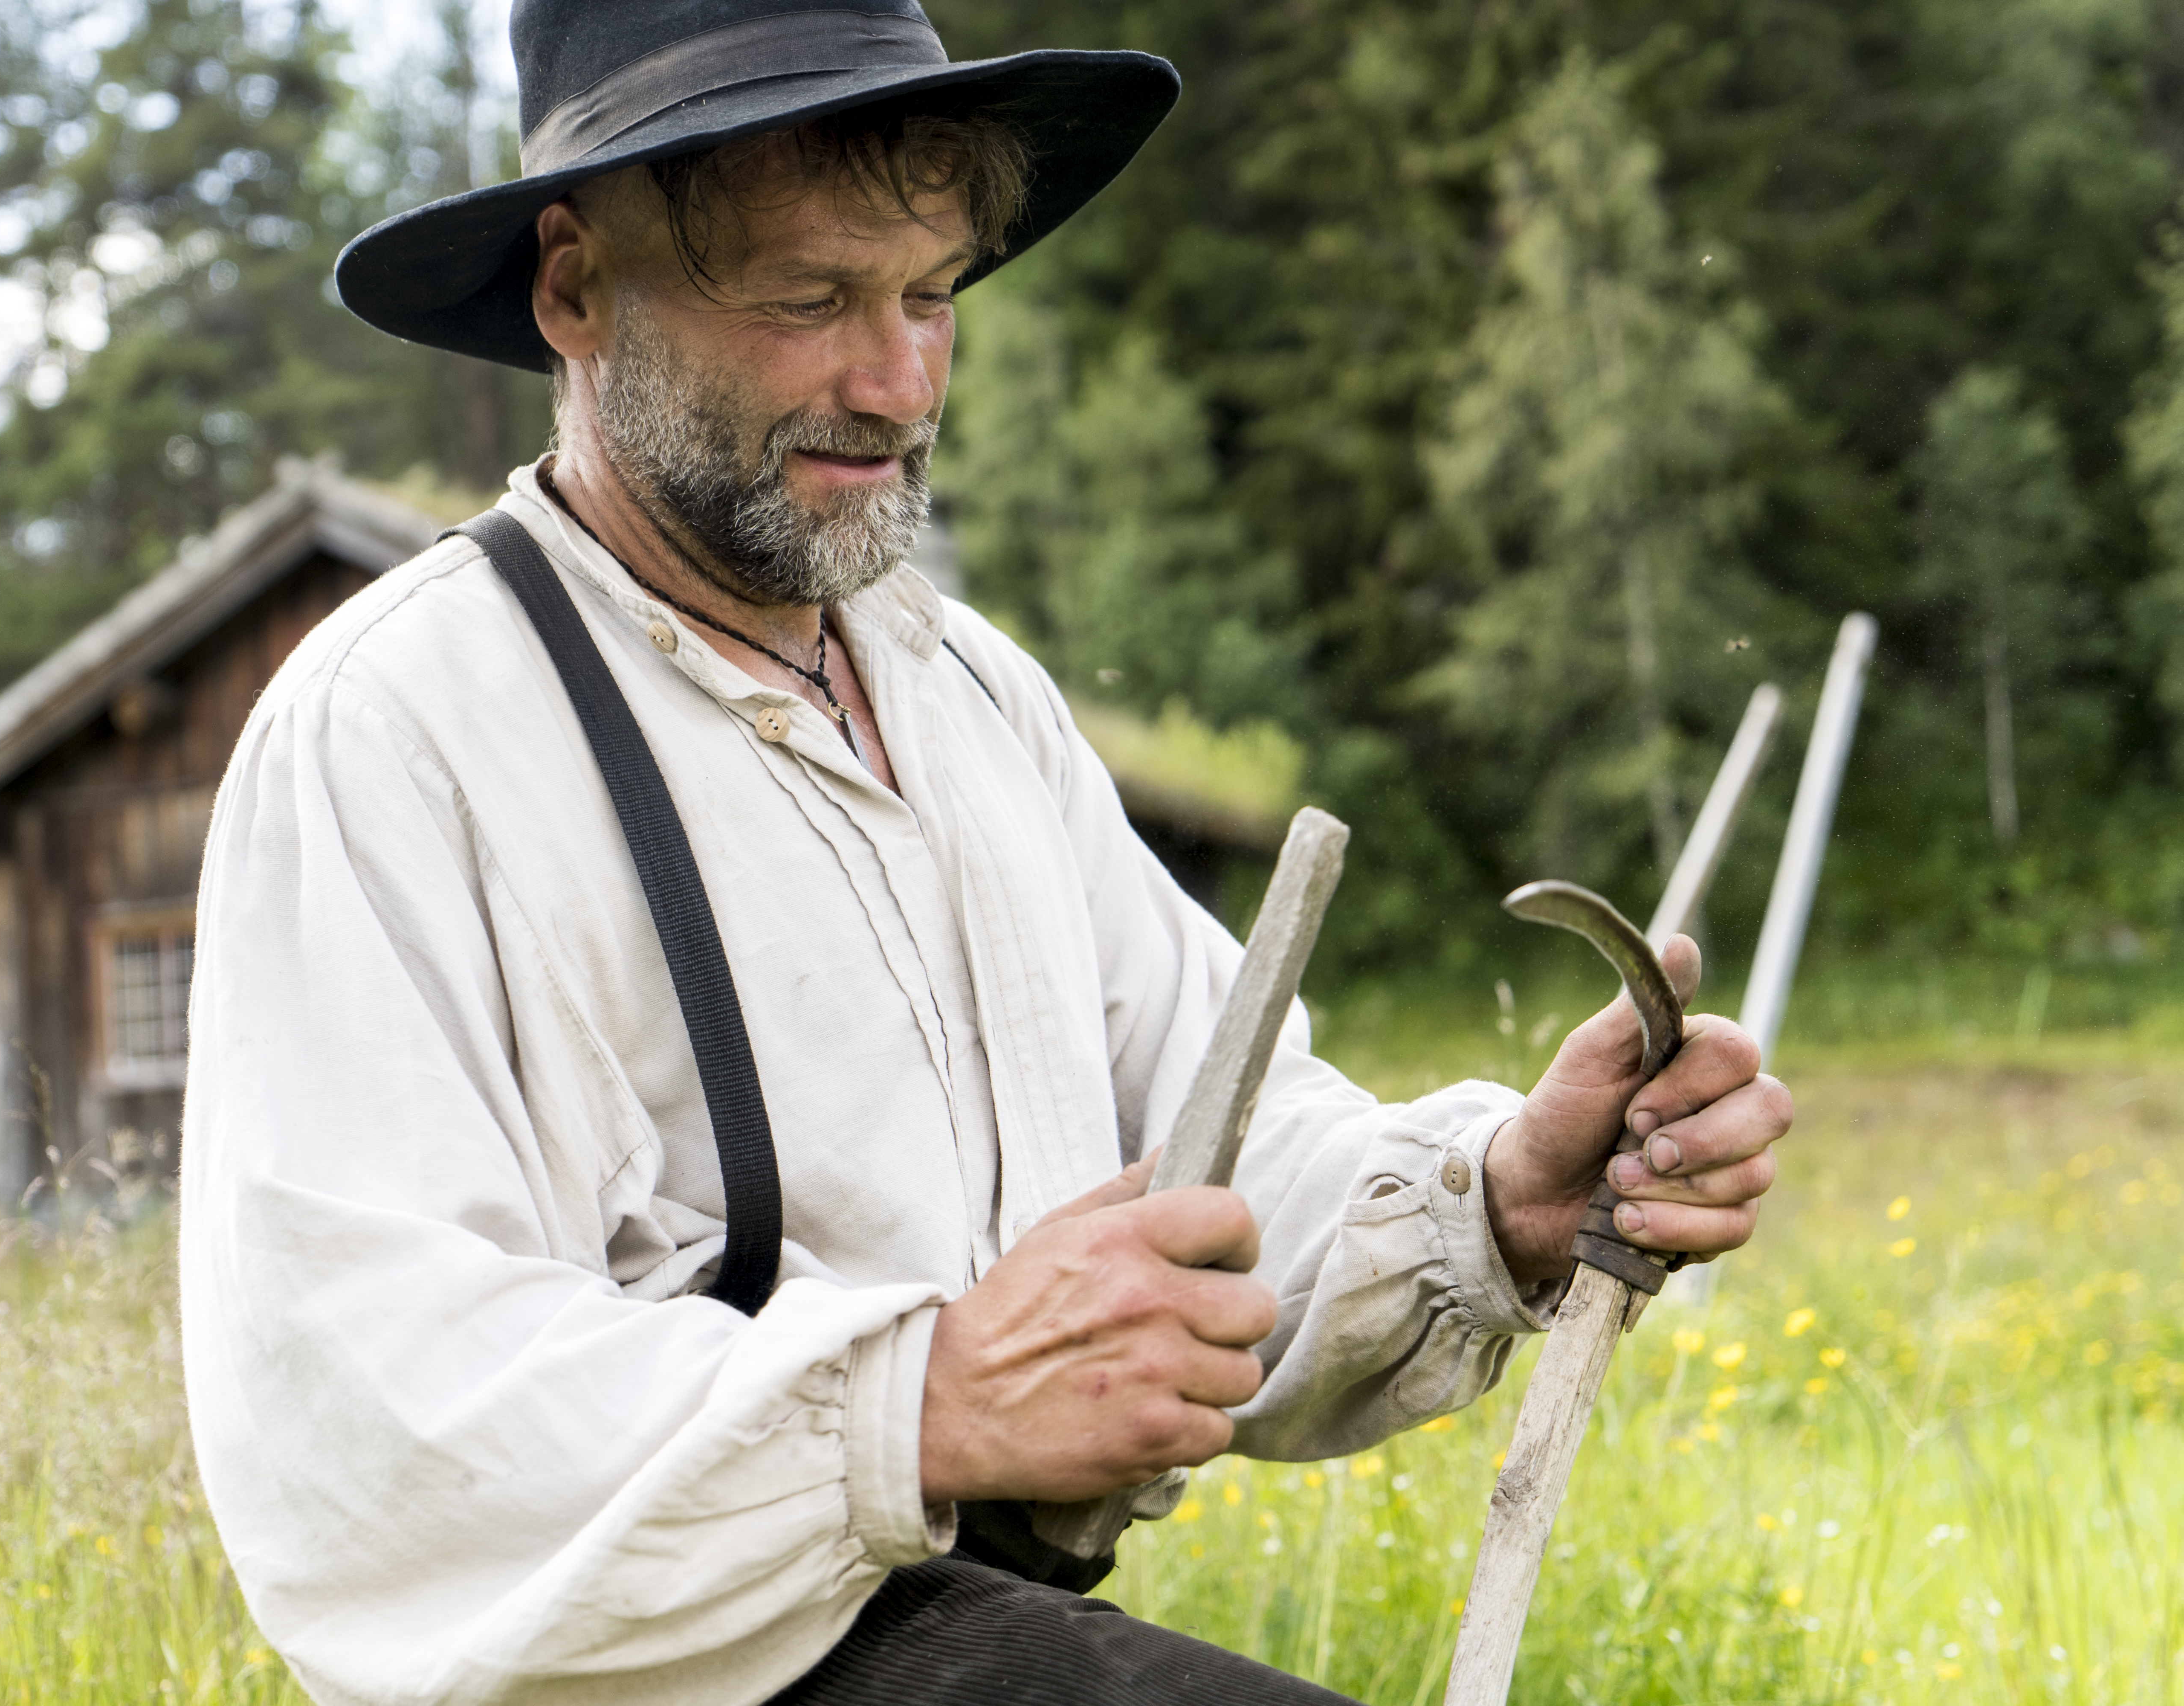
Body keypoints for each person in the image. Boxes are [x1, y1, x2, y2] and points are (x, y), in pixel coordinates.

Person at [177, 3, 1795, 1702]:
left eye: (929, 295)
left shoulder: (968, 699)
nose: (895, 383)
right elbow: (372, 1408)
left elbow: (1211, 1159)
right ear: (576, 290)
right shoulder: (400, 729)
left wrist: (1504, 1197)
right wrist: (921, 1398)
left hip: (968, 1635)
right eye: (812, 299)